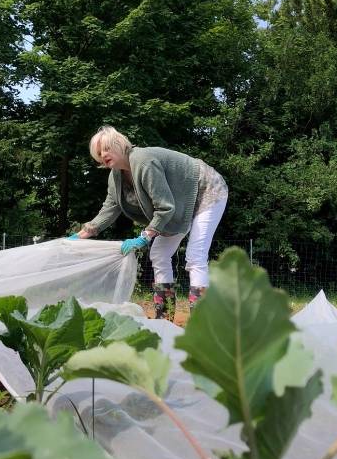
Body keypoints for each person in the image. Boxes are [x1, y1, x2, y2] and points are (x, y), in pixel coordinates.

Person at [71, 126, 227, 320]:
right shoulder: (116, 176)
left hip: (207, 190)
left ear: (118, 144)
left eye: (106, 149)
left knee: (195, 257)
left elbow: (165, 207)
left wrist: (145, 236)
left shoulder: (144, 161)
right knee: (159, 254)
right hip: (179, 203)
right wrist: (81, 235)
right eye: (98, 153)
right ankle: (165, 319)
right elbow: (110, 208)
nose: (103, 155)